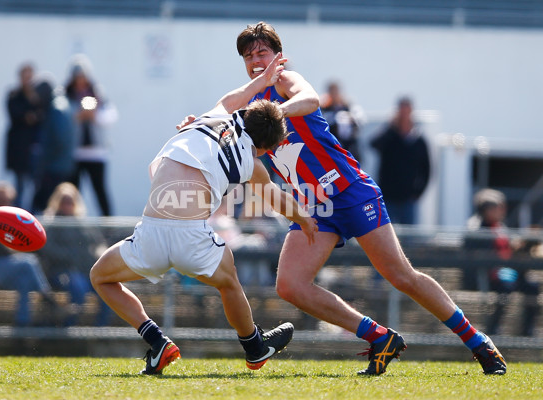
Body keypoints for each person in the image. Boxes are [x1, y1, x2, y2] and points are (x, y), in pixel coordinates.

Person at [178, 21, 506, 375]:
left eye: (262, 53)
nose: (256, 60)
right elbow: (217, 120)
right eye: (249, 56)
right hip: (315, 206)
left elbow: (311, 99)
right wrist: (199, 125)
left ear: (278, 56)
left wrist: (278, 113)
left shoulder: (286, 82)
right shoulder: (244, 100)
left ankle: (478, 342)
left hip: (350, 191)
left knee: (401, 276)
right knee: (290, 286)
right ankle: (378, 336)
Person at [90, 67, 318, 375]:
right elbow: (275, 198)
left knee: (100, 277)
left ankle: (156, 341)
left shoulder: (211, 116)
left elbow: (233, 97)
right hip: (191, 236)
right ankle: (254, 348)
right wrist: (305, 221)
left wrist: (260, 81)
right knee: (229, 283)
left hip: (151, 232)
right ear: (266, 148)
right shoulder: (252, 163)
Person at [0, 181, 64, 326]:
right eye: (1, 199)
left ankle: (22, 325)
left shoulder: (5, 221)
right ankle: (48, 299)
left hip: (5, 268)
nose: (5, 203)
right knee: (28, 261)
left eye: (8, 200)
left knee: (24, 281)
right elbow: (1, 250)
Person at [464, 188, 540, 337]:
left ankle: (527, 330)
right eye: (498, 207)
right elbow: (477, 256)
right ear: (487, 210)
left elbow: (508, 250)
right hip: (488, 275)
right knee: (506, 286)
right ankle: (494, 328)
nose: (502, 210)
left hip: (506, 272)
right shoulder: (476, 228)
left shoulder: (500, 227)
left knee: (532, 286)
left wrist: (523, 244)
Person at [41, 182, 112, 326]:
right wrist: (71, 255)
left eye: (70, 201)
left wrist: (101, 254)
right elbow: (47, 248)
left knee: (109, 291)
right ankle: (69, 328)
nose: (67, 204)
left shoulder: (83, 223)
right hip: (62, 272)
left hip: (86, 271)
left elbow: (99, 243)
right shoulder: (51, 223)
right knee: (79, 288)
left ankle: (100, 331)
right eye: (64, 201)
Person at [65, 54, 117, 216]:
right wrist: (78, 116)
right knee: (72, 192)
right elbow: (63, 117)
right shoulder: (66, 96)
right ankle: (71, 226)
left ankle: (109, 227)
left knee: (100, 191)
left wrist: (94, 116)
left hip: (96, 152)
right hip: (75, 152)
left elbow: (111, 115)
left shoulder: (98, 93)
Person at [370, 96, 430, 225]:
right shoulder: (390, 135)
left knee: (409, 239)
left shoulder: (418, 140)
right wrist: (390, 128)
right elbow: (373, 144)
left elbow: (427, 169)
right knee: (385, 235)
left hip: (408, 199)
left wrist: (418, 192)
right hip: (388, 196)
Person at [30, 76, 75, 214]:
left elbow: (60, 140)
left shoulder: (56, 110)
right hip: (58, 165)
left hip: (55, 168)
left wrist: (44, 161)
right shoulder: (61, 105)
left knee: (46, 205)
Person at [5, 62, 43, 209]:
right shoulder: (14, 95)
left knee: (36, 187)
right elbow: (18, 115)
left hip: (35, 149)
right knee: (19, 187)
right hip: (19, 150)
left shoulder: (38, 96)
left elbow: (40, 116)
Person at [320, 80, 365, 161]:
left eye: (336, 92)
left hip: (351, 147)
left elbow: (361, 120)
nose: (334, 95)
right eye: (332, 92)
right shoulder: (324, 109)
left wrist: (350, 118)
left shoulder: (349, 106)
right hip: (334, 146)